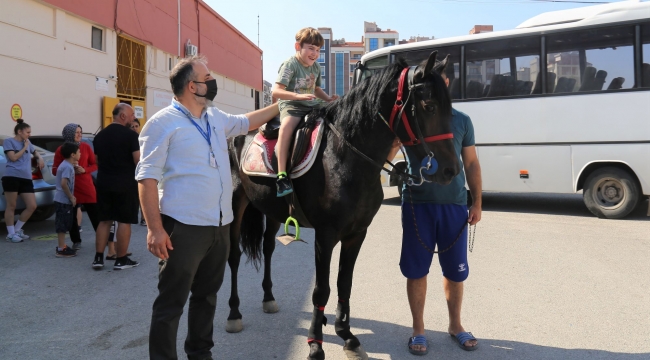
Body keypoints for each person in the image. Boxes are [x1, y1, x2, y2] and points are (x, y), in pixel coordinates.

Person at [137, 55, 279, 360]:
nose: (212, 81)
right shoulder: (162, 123)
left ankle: (201, 354)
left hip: (220, 227)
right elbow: (146, 178)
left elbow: (247, 122)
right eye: (207, 77)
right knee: (171, 304)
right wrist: (154, 229)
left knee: (207, 298)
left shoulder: (215, 118)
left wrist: (283, 104)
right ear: (192, 86)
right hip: (183, 228)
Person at [392, 67, 483, 355]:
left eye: (440, 82)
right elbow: (388, 153)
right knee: (417, 270)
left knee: (456, 273)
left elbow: (471, 164)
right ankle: (418, 330)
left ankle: (455, 325)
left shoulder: (462, 121)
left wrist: (477, 201)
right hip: (417, 204)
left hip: (454, 205)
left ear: (446, 84)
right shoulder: (412, 118)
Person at [271, 27, 338, 197]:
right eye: (310, 48)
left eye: (317, 50)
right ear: (297, 47)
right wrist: (297, 96)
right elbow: (276, 91)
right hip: (292, 105)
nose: (314, 53)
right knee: (286, 129)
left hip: (311, 104)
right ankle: (281, 176)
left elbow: (315, 89)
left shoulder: (316, 68)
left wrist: (328, 98)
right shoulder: (290, 64)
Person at [91, 103, 140, 270]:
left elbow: (97, 160)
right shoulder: (131, 136)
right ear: (123, 116)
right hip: (125, 183)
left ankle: (98, 258)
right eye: (132, 115)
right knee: (124, 221)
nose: (134, 118)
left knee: (104, 220)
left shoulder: (99, 136)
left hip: (104, 183)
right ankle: (121, 259)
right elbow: (138, 161)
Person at [52, 124, 99, 251]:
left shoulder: (85, 147)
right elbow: (55, 170)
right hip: (70, 188)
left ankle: (102, 238)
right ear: (69, 134)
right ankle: (76, 241)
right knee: (71, 216)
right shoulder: (61, 150)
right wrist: (69, 169)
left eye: (80, 132)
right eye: (76, 132)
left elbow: (95, 165)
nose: (79, 134)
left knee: (95, 214)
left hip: (86, 186)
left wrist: (85, 170)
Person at [2, 119, 44, 243]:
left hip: (26, 178)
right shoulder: (9, 141)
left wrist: (39, 157)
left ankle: (16, 230)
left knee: (32, 206)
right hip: (12, 176)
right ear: (20, 131)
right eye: (27, 132)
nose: (29, 135)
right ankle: (10, 234)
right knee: (11, 205)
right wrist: (25, 147)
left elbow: (34, 151)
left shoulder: (28, 142)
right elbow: (13, 157)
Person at [53, 142, 81, 257]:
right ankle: (61, 249)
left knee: (64, 223)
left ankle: (62, 245)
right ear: (73, 154)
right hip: (63, 200)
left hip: (63, 200)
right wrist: (71, 197)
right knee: (62, 225)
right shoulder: (67, 167)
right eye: (79, 152)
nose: (80, 153)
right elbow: (64, 183)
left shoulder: (67, 165)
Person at [129, 119, 146, 226]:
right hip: (131, 170)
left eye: (136, 126)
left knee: (142, 195)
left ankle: (144, 218)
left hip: (141, 170)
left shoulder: (142, 139)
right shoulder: (128, 139)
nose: (135, 128)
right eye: (132, 126)